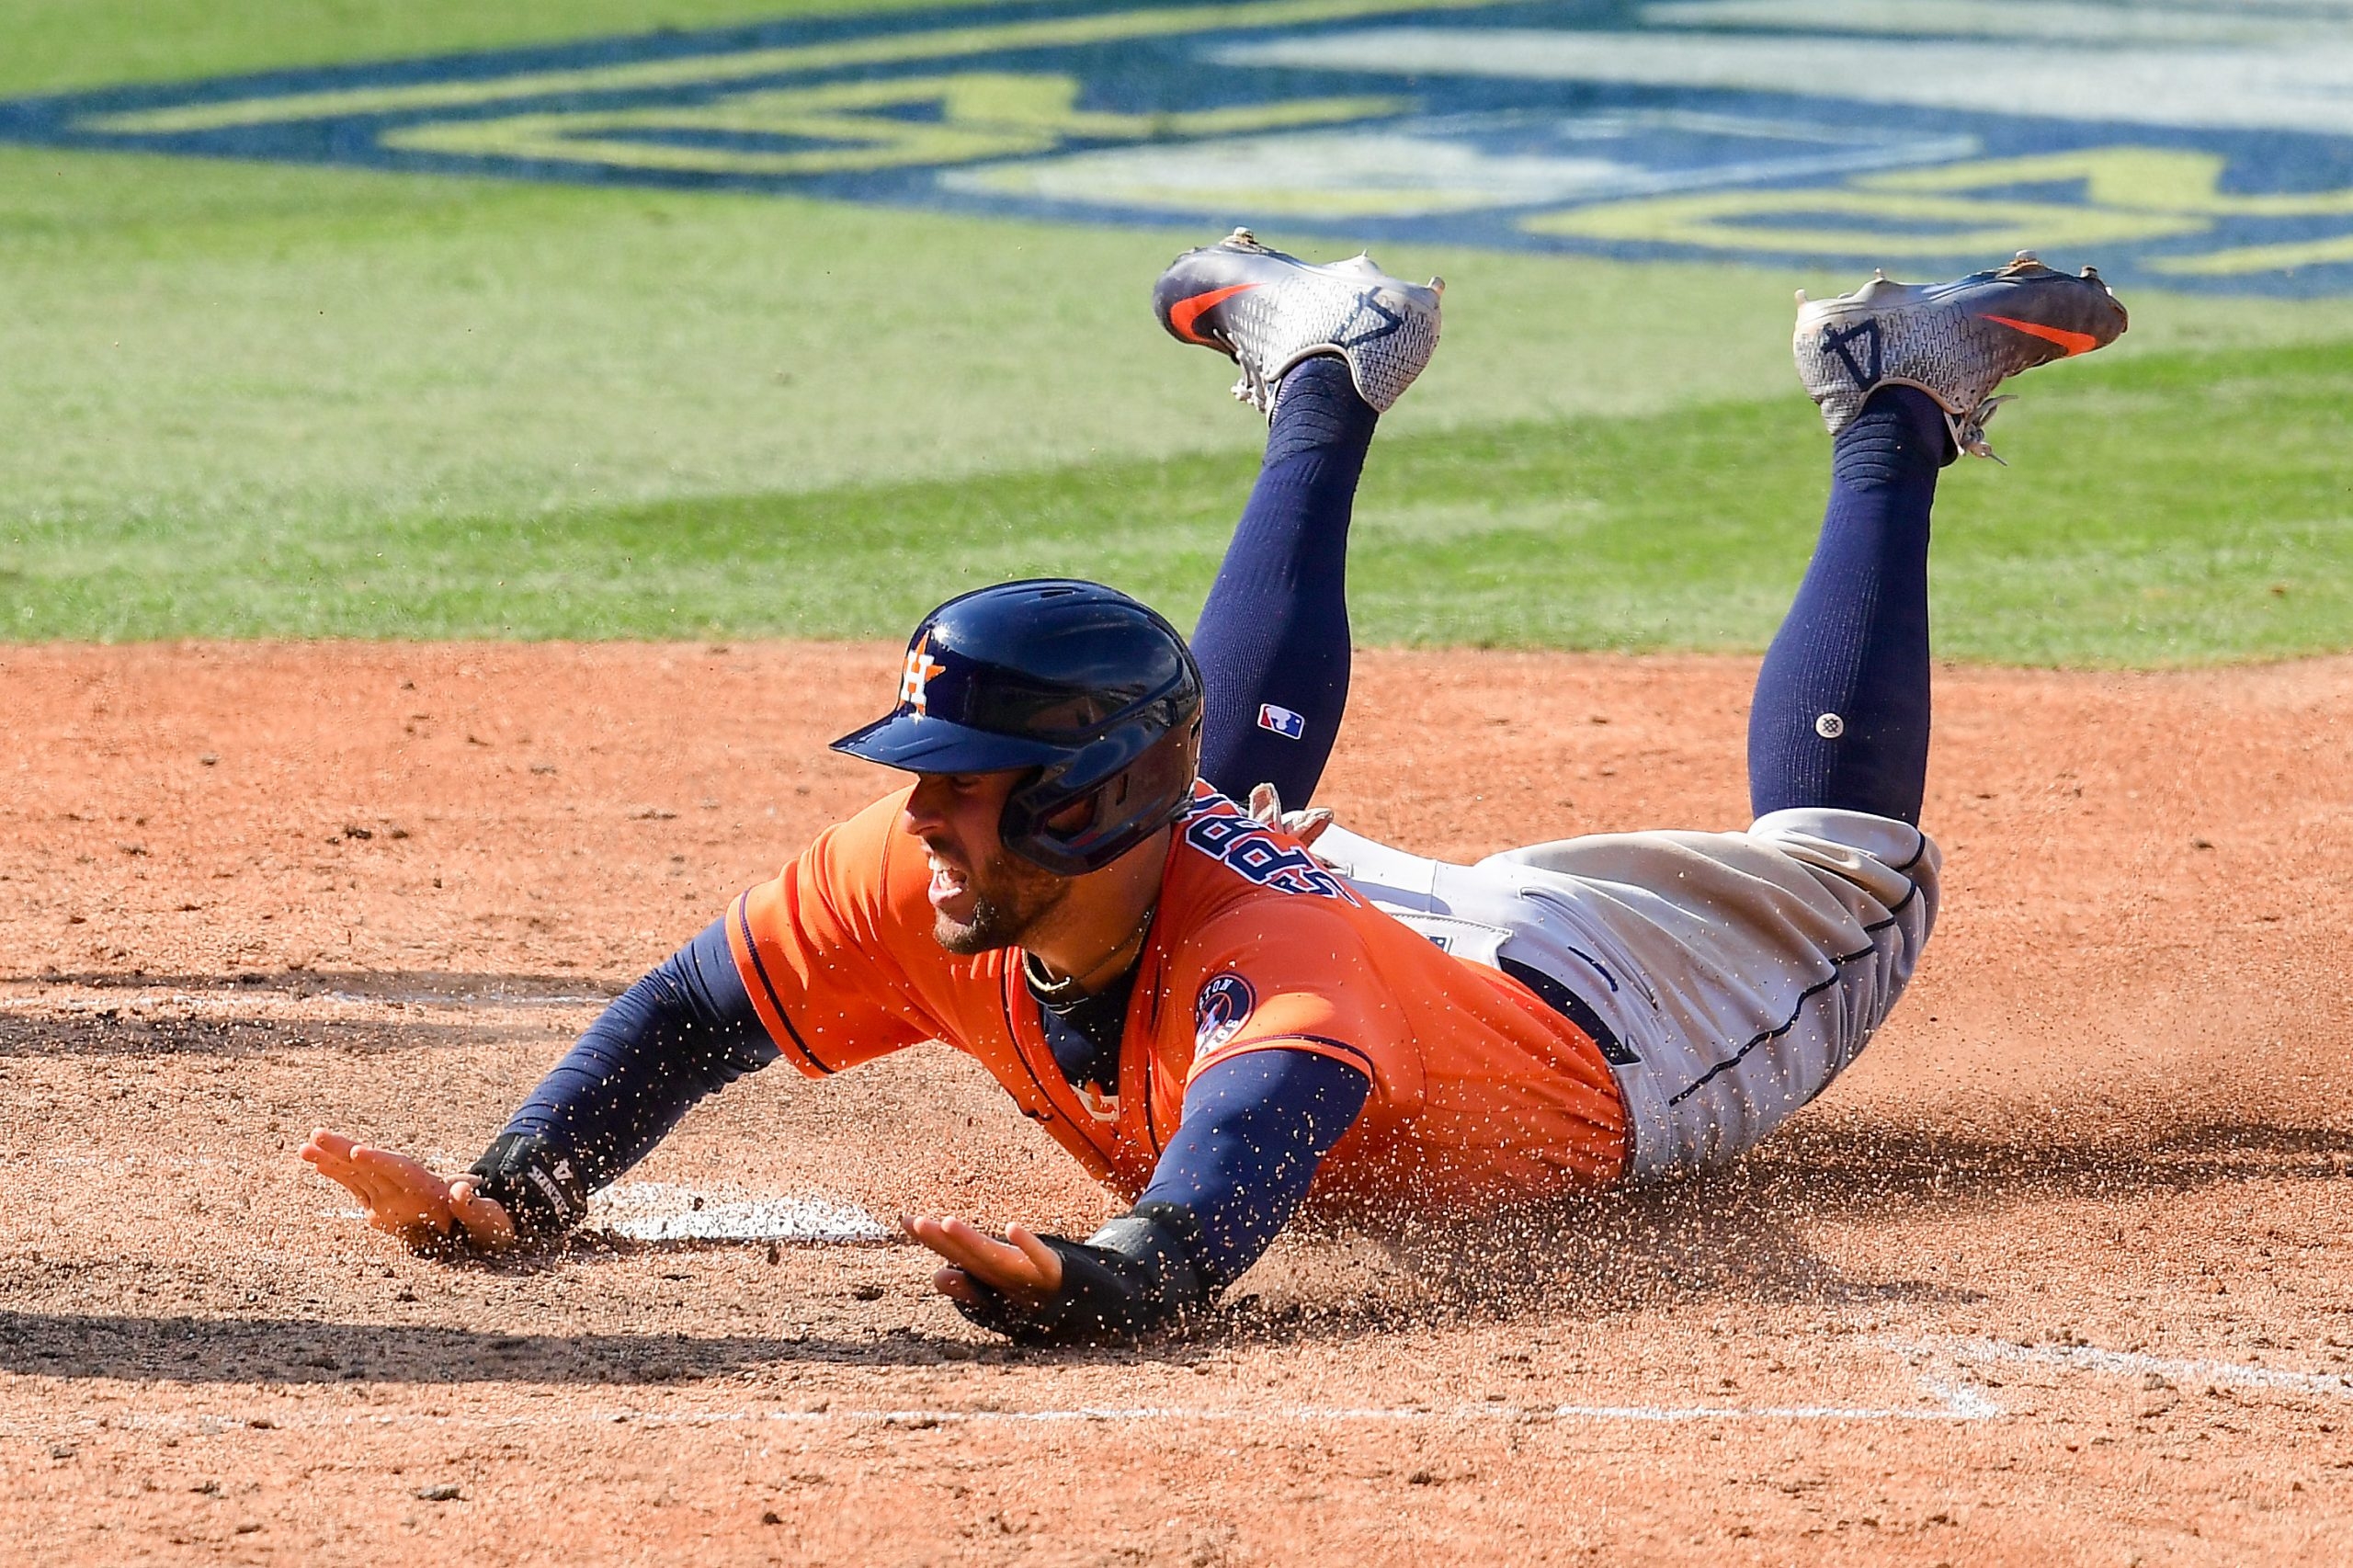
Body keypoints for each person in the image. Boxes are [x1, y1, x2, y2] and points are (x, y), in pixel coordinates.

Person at [303, 230, 2128, 1345]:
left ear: (1090, 800)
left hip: (1606, 1020)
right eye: (924, 777)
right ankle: (1325, 359)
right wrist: (517, 1188)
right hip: (1335, 934)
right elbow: (693, 1009)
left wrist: (1085, 1290)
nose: (923, 810)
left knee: (1844, 858)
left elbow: (1196, 1232)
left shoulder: (1284, 988)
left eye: (971, 781)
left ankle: (1894, 397)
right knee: (1232, 789)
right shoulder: (927, 870)